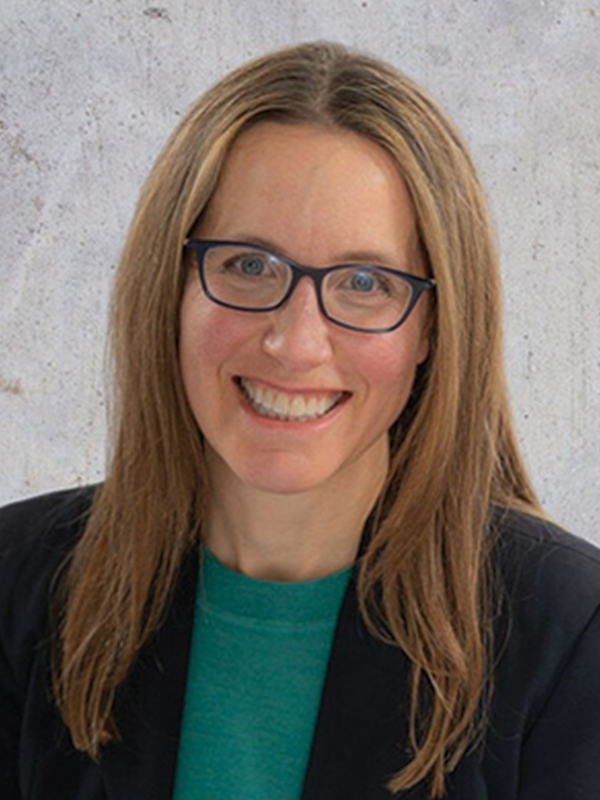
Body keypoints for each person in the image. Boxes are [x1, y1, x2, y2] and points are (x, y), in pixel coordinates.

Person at [1, 41, 599, 800]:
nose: (296, 342)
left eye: (363, 283)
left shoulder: (570, 634)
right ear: (172, 288)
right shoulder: (15, 593)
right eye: (248, 265)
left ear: (434, 329)